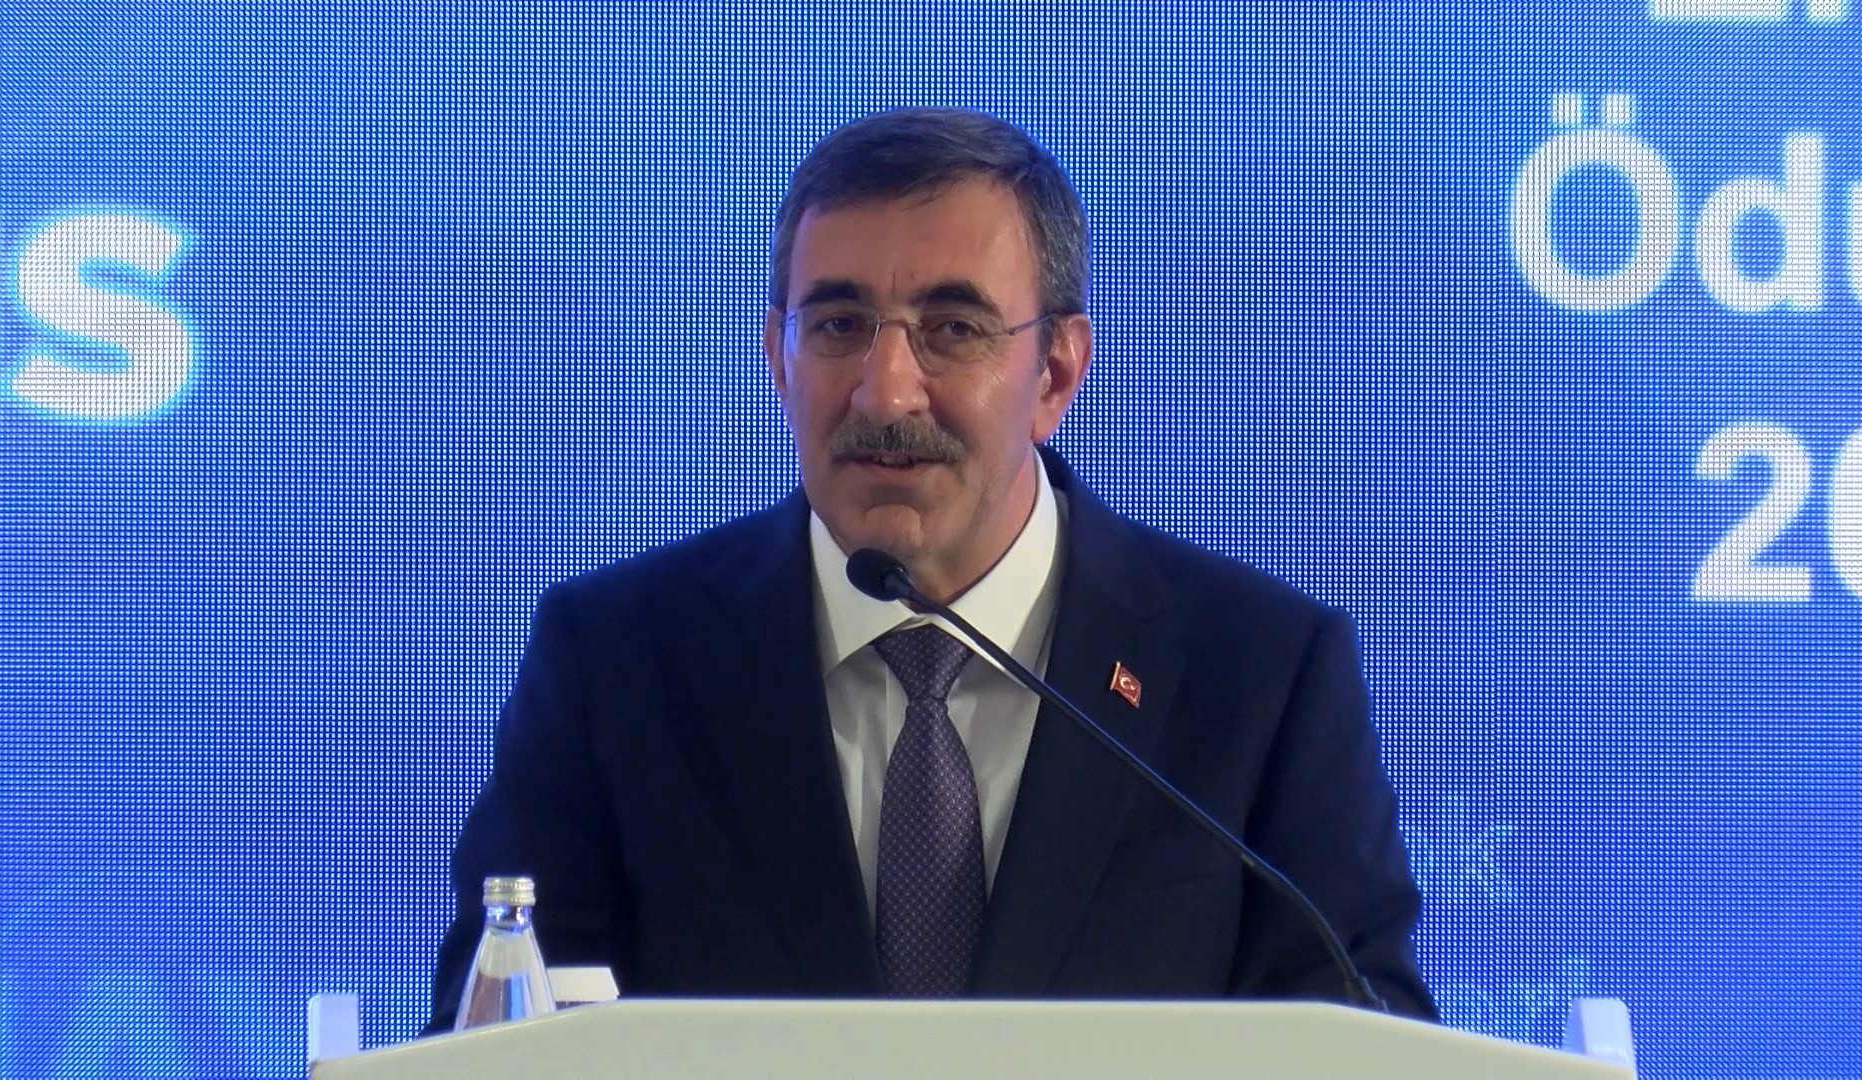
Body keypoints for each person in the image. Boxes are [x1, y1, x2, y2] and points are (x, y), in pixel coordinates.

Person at [425, 107, 1436, 1031]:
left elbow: (1365, 1036)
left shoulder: (1257, 671)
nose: (885, 391)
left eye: (953, 330)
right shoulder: (616, 660)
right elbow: (492, 1041)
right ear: (779, 360)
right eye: (838, 326)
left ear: (1055, 373)